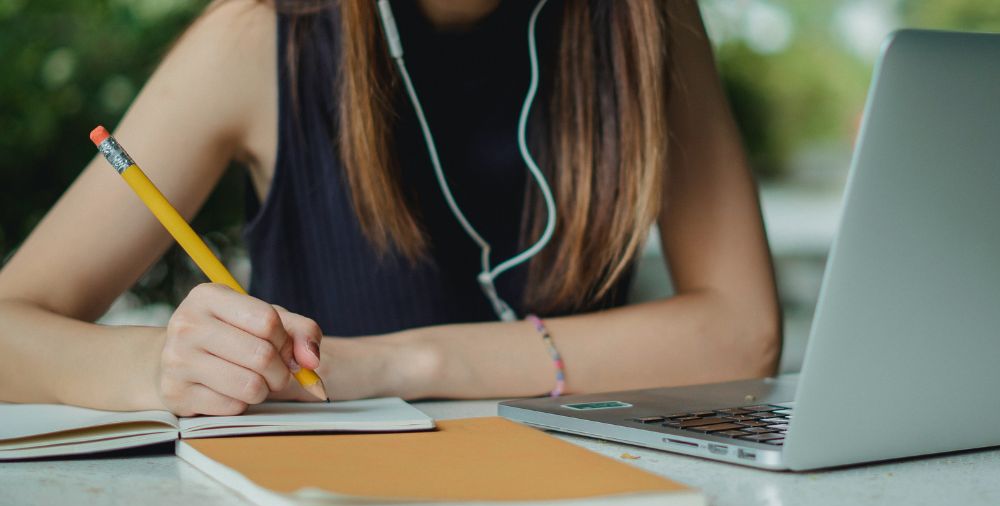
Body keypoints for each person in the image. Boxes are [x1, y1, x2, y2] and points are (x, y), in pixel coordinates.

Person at [0, 0, 781, 416]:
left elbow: (739, 336)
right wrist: (160, 367)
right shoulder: (259, 34)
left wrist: (406, 362)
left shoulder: (646, 23)